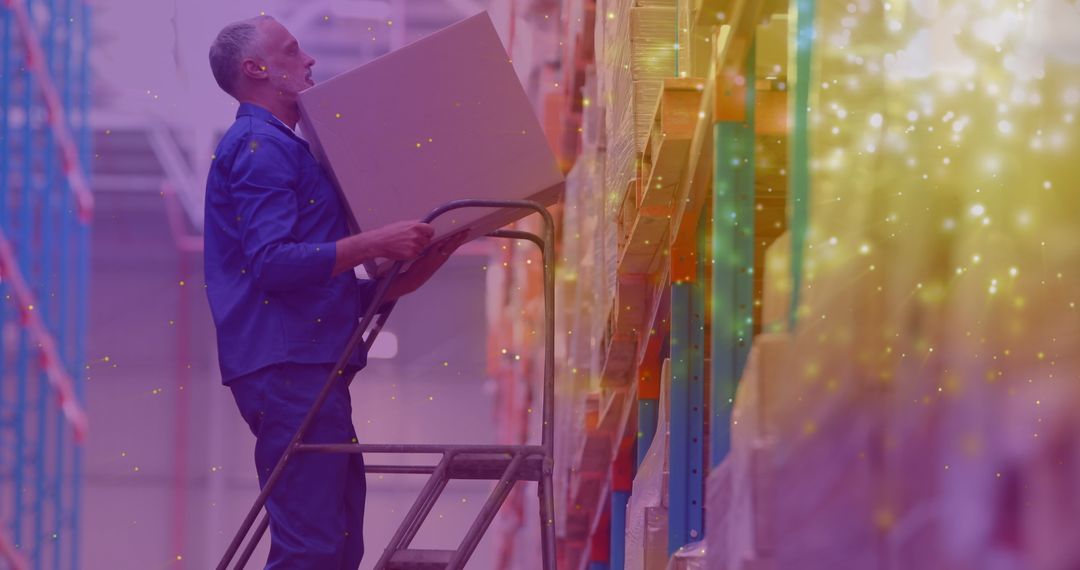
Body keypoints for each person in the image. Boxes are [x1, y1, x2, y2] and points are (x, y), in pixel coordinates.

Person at [204, 15, 465, 569]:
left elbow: (330, 287)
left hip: (313, 363)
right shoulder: (258, 147)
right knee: (312, 547)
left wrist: (420, 262)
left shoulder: (293, 152)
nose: (309, 61)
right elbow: (273, 264)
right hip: (285, 366)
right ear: (256, 69)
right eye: (293, 51)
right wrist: (377, 239)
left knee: (340, 543)